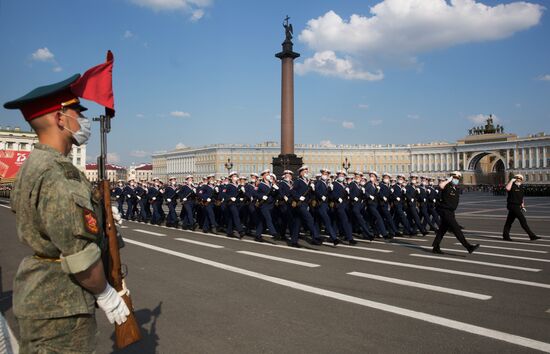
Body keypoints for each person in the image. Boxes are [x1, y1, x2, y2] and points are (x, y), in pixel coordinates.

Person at [4, 75, 129, 352]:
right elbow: (80, 257)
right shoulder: (59, 174)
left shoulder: (33, 165)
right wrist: (105, 293)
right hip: (61, 305)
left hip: (41, 298)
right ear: (61, 119)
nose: (83, 120)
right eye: (77, 113)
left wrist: (97, 210)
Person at [432, 172, 479, 254]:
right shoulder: (447, 186)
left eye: (458, 179)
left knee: (442, 230)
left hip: (451, 212)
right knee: (456, 229)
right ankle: (468, 247)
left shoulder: (455, 188)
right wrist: (448, 180)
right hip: (445, 211)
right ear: (451, 178)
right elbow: (440, 186)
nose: (456, 180)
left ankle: (435, 246)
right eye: (455, 178)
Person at [502, 174, 540, 241]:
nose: (519, 180)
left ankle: (505, 236)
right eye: (518, 178)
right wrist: (511, 180)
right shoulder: (512, 185)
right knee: (523, 220)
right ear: (515, 179)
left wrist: (522, 205)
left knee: (509, 222)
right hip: (512, 205)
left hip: (518, 206)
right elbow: (507, 188)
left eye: (521, 179)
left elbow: (521, 197)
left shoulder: (521, 187)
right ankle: (531, 235)